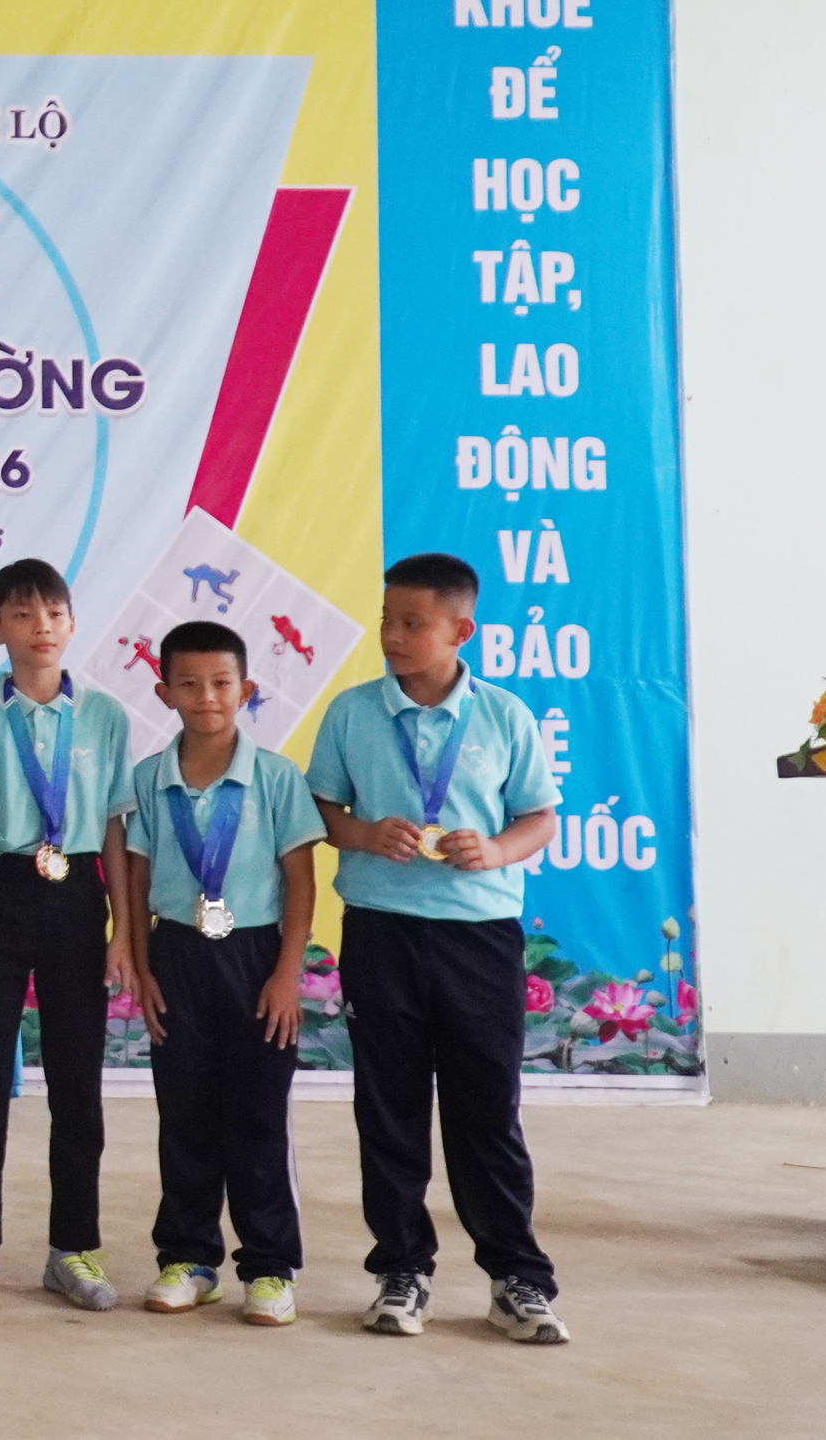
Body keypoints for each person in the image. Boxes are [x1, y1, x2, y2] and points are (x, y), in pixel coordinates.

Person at [306, 553, 569, 1344]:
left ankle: (517, 1276)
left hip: (479, 936)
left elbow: (540, 817)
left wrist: (495, 849)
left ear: (461, 631)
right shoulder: (353, 712)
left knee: (486, 1107)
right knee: (388, 1105)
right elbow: (321, 808)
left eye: (412, 623)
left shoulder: (505, 716)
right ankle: (401, 1269)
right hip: (380, 929)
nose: (392, 635)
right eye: (387, 619)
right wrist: (362, 834)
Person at [0, 557, 134, 1311]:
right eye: (21, 615)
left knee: (77, 1081)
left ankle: (72, 1248)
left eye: (52, 613)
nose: (39, 627)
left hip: (78, 895)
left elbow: (114, 831)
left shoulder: (105, 717)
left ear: (72, 623)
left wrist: (121, 930)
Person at [117, 620, 325, 1327]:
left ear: (246, 689)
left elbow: (300, 879)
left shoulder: (275, 777)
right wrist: (142, 964)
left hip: (256, 956)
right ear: (164, 692)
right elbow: (136, 876)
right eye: (189, 683)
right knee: (185, 1112)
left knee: (259, 1116)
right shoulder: (150, 778)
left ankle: (268, 1267)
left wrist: (287, 974)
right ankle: (189, 1258)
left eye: (221, 683)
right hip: (176, 953)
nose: (206, 696)